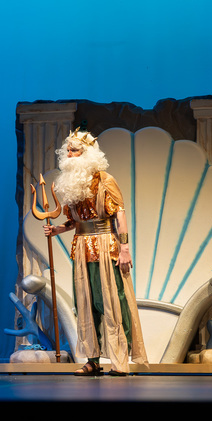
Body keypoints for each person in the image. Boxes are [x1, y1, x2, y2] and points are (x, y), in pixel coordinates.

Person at [43, 129, 148, 376]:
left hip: (104, 245)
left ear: (87, 154)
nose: (69, 154)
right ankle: (92, 360)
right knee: (85, 303)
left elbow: (118, 213)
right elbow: (75, 221)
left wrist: (124, 248)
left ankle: (119, 359)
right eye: (67, 150)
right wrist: (57, 229)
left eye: (75, 150)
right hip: (82, 246)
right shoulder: (69, 182)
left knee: (111, 300)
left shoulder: (104, 180)